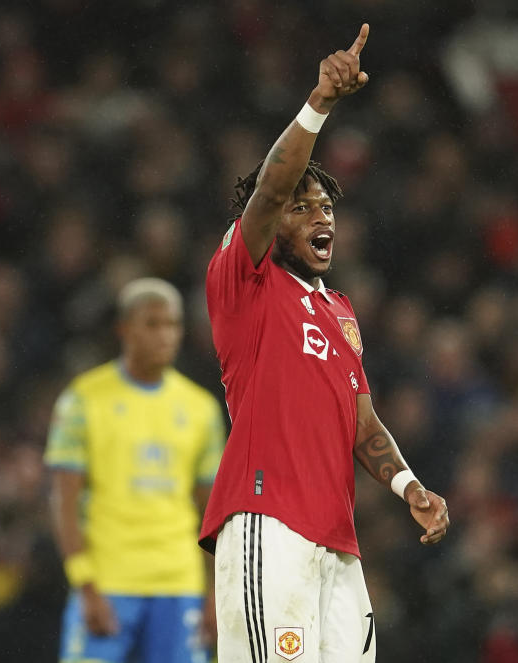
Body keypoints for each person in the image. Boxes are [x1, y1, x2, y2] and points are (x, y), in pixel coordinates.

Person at [199, 23, 450, 663]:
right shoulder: (243, 283)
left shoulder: (339, 312)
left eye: (328, 207)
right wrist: (319, 105)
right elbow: (269, 189)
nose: (323, 216)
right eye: (304, 206)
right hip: (267, 521)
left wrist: (408, 486)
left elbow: (363, 427)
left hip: (337, 542)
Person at [45, 278, 225, 663]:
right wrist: (84, 585)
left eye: (173, 324)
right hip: (108, 581)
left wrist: (214, 591)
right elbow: (63, 503)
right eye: (152, 324)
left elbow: (210, 513)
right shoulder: (83, 400)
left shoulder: (201, 410)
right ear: (124, 328)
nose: (165, 335)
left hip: (179, 585)